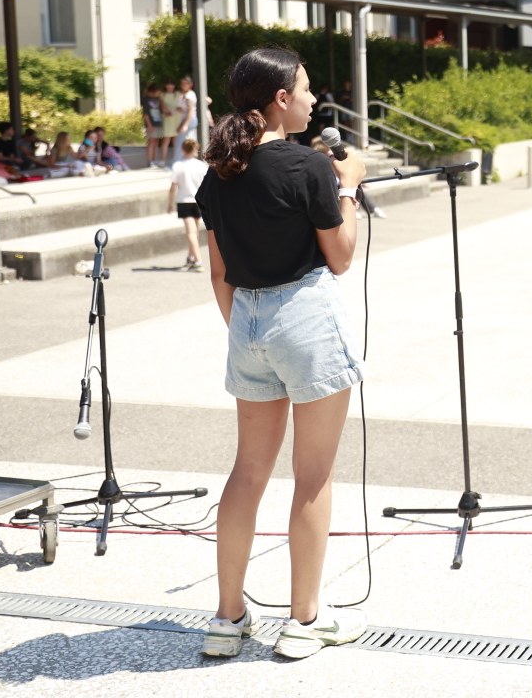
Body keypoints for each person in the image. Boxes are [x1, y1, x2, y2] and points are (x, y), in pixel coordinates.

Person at [194, 46, 367, 660]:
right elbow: (340, 257)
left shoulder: (218, 173)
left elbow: (219, 271)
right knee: (312, 475)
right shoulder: (309, 167)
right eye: (307, 89)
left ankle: (227, 618)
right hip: (305, 317)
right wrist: (349, 188)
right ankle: (303, 620)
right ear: (281, 99)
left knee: (248, 472)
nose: (315, 100)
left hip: (247, 322)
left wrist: (248, 329)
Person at [168, 137, 209, 270]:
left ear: (182, 149)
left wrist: (170, 204)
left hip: (184, 201)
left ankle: (198, 261)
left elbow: (173, 187)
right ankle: (190, 257)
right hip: (199, 201)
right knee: (195, 231)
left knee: (190, 232)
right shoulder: (201, 165)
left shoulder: (178, 165)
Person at [173, 75, 200, 159]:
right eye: (182, 83)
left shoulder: (190, 95)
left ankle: (186, 159)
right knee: (181, 142)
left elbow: (191, 111)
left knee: (186, 142)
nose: (183, 85)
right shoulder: (184, 94)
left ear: (190, 84)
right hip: (184, 120)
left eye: (185, 83)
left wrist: (185, 125)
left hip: (189, 122)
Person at [143, 82, 167, 168]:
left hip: (158, 123)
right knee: (151, 142)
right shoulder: (146, 100)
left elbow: (163, 109)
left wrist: (161, 99)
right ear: (153, 91)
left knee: (156, 143)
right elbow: (145, 114)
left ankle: (154, 160)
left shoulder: (158, 99)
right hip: (151, 124)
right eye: (158, 92)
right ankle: (150, 161)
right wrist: (149, 125)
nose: (159, 93)